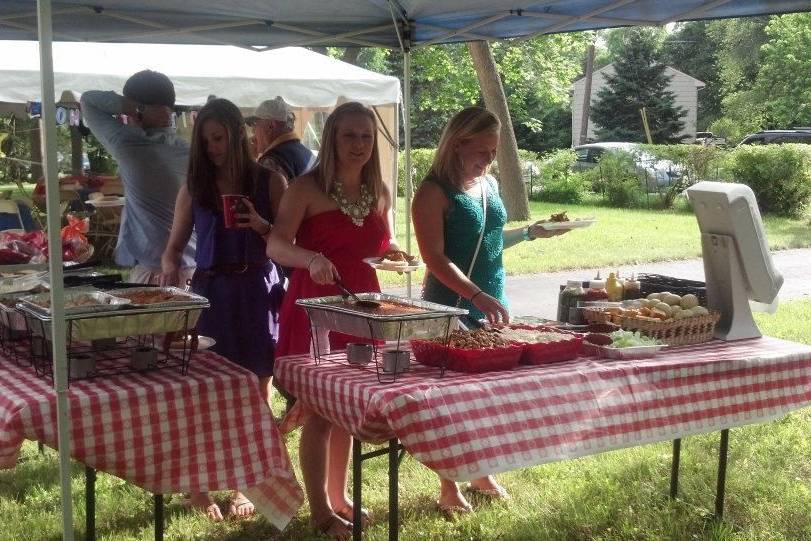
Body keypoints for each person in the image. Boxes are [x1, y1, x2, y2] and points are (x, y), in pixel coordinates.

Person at [411, 106, 570, 517]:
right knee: (450, 400)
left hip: (491, 301)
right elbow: (434, 258)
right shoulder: (432, 191)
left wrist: (532, 233)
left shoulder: (489, 184)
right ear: (458, 144)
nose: (488, 160)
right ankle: (448, 484)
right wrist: (475, 294)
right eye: (481, 151)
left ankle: (481, 470)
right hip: (450, 305)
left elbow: (493, 239)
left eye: (493, 151)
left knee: (487, 396)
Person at [268, 101, 399, 539]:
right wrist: (310, 258)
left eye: (366, 136)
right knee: (320, 409)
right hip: (316, 307)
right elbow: (276, 246)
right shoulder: (304, 187)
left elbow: (384, 244)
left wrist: (394, 254)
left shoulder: (379, 189)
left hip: (363, 307)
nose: (359, 144)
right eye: (349, 135)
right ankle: (322, 510)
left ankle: (340, 495)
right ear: (332, 139)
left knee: (348, 406)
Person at [161, 98, 287, 521]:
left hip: (257, 287)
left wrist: (261, 225)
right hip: (211, 290)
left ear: (237, 134)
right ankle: (198, 486)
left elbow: (286, 247)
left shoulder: (270, 182)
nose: (212, 147)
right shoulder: (196, 186)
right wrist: (170, 273)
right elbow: (174, 249)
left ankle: (242, 483)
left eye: (218, 137)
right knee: (206, 389)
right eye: (206, 140)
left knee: (256, 389)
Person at [80, 70, 195, 284]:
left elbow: (88, 100)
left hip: (152, 273)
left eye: (133, 110)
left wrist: (129, 106)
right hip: (193, 270)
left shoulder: (128, 144)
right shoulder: (191, 151)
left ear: (140, 108)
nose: (130, 118)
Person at [247, 96, 316, 182]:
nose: (253, 131)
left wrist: (249, 158)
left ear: (270, 126)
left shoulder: (272, 161)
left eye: (255, 124)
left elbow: (256, 192)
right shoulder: (306, 152)